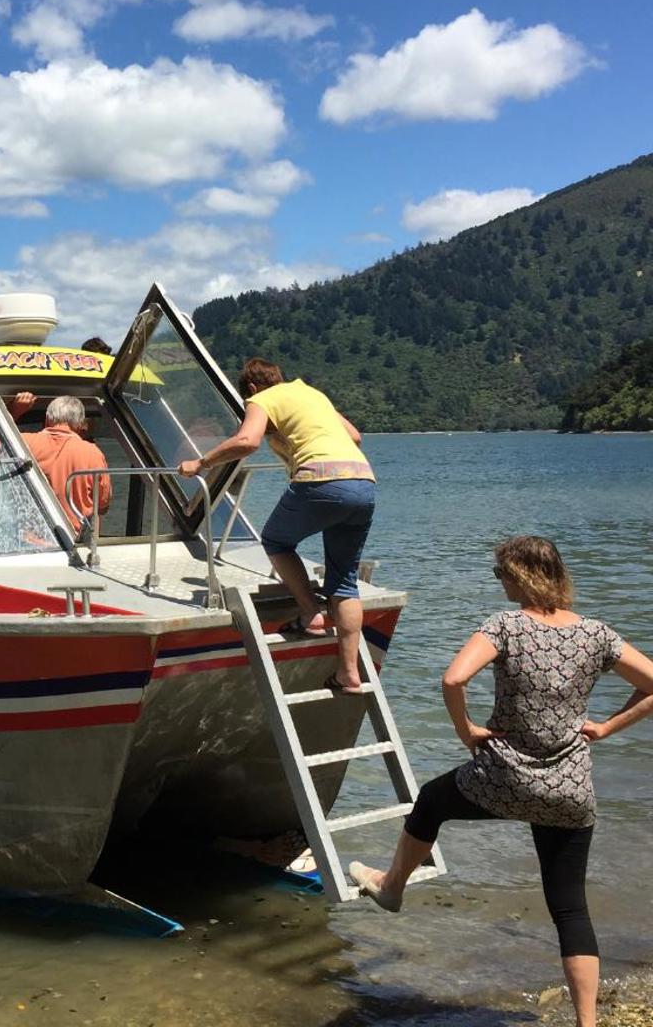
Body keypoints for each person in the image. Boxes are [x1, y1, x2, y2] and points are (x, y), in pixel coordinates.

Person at [348, 536, 653, 1027]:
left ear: (520, 576)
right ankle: (587, 1023)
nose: (500, 583)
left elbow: (452, 680)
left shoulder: (506, 626)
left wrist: (465, 730)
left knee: (431, 800)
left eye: (501, 574)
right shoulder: (597, 634)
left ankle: (391, 888)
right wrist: (605, 728)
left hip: (503, 778)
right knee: (570, 908)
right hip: (569, 788)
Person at [177, 358, 374, 693]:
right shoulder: (311, 393)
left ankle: (310, 612)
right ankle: (349, 674)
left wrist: (201, 462)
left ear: (252, 388)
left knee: (276, 541)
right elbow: (354, 436)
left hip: (321, 480)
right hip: (364, 483)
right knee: (344, 581)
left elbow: (247, 441)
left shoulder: (262, 399)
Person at [10, 393, 111, 530]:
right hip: (75, 540)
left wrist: (14, 411)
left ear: (47, 419)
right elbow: (103, 505)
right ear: (80, 424)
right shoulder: (94, 453)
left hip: (32, 540)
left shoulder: (23, 442)